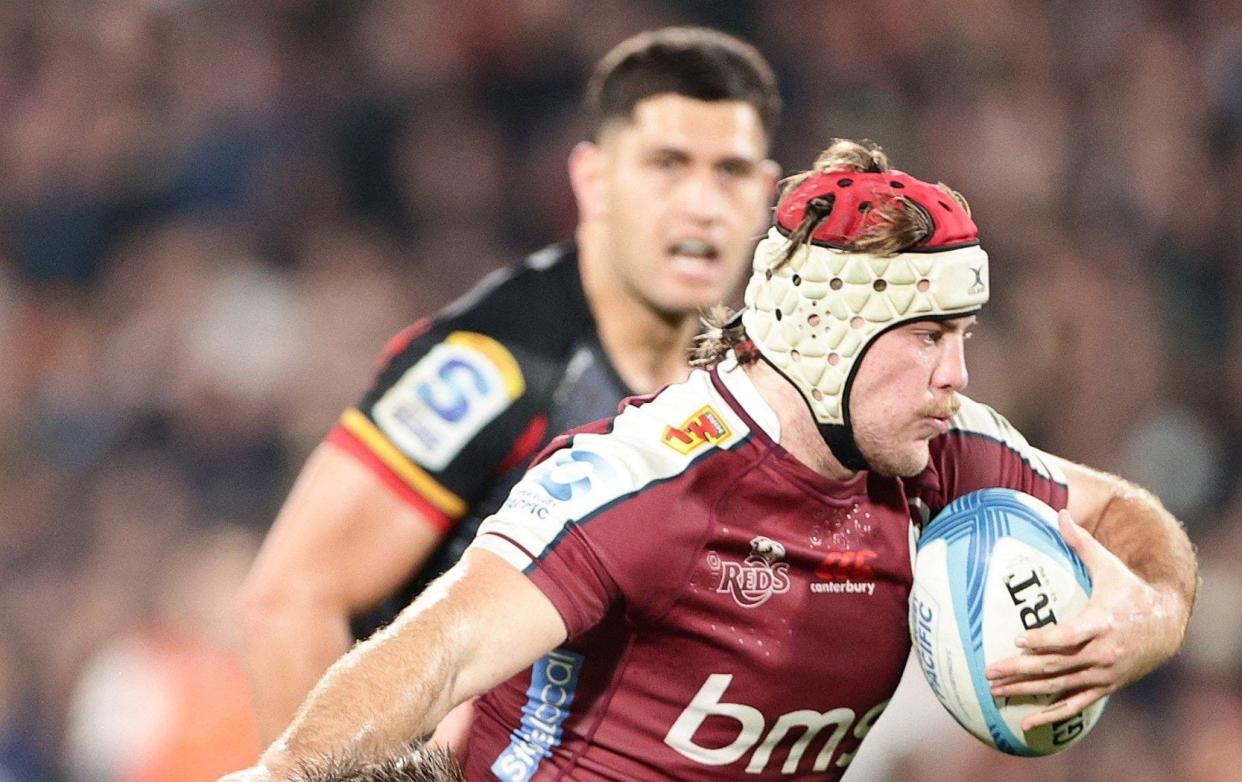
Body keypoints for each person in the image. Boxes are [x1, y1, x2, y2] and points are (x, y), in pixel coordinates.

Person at [225, 140, 1197, 781]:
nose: (958, 372)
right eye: (929, 335)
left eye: (964, 334)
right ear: (830, 333)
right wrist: (279, 774)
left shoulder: (938, 452)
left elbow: (1122, 516)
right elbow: (437, 649)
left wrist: (1151, 615)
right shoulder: (645, 477)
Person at [237, 26, 782, 745]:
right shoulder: (495, 364)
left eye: (731, 172)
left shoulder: (760, 387)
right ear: (593, 181)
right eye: (667, 166)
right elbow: (289, 603)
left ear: (768, 192)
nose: (702, 204)